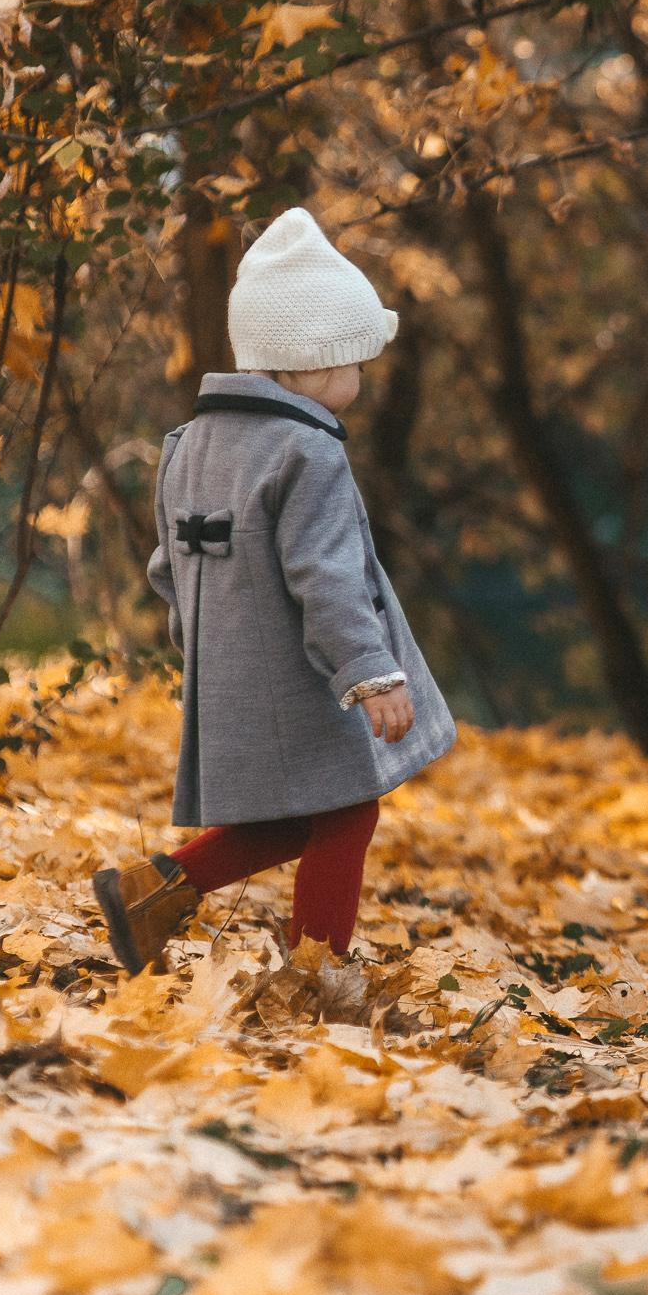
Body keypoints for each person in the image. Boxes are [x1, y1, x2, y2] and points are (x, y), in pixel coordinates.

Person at [92, 206, 455, 974]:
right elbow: (326, 577)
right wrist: (370, 674)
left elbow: (170, 569)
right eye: (356, 363)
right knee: (349, 811)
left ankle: (151, 891)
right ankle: (316, 969)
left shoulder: (187, 446)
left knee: (301, 817)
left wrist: (201, 652)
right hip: (301, 678)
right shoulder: (307, 452)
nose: (359, 379)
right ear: (314, 364)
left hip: (229, 679)